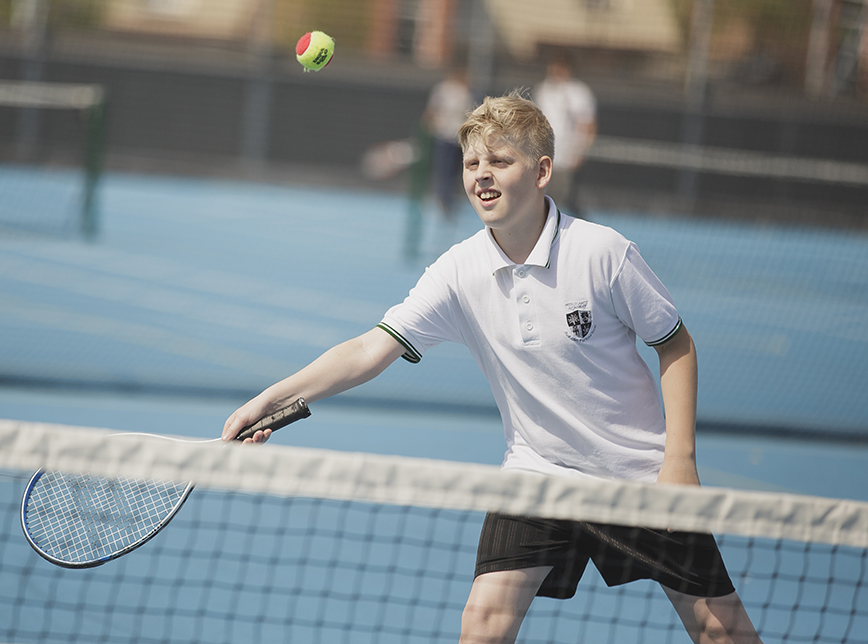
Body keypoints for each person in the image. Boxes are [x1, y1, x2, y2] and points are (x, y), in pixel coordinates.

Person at [223, 92, 762, 644]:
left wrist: (678, 462)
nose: (482, 175)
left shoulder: (603, 253)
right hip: (538, 474)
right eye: (472, 163)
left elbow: (675, 345)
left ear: (543, 171)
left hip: (640, 475)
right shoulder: (458, 271)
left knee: (720, 630)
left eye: (500, 162)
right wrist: (270, 398)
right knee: (483, 624)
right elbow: (370, 349)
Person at [534, 52, 596, 217]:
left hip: (568, 156)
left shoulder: (579, 92)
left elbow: (588, 125)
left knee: (567, 198)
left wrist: (580, 152)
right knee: (543, 196)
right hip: (546, 153)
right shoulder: (544, 90)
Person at [422, 67, 474, 220]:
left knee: (454, 169)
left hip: (457, 136)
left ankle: (451, 198)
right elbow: (433, 109)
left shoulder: (465, 92)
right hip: (444, 134)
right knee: (443, 168)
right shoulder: (443, 89)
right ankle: (441, 198)